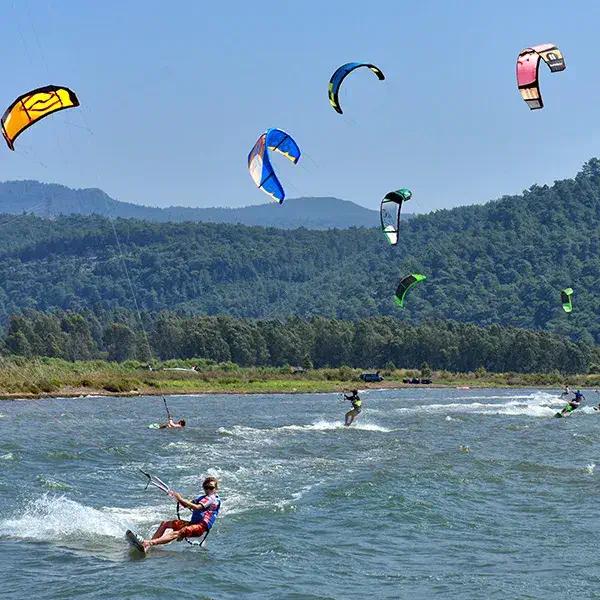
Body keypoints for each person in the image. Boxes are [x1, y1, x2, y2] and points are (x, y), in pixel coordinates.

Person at [138, 476, 220, 552]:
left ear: (216, 489)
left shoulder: (212, 498)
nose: (209, 490)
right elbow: (187, 505)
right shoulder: (202, 498)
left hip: (201, 527)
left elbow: (197, 507)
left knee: (179, 532)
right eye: (206, 487)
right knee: (165, 524)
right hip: (192, 524)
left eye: (211, 487)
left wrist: (180, 499)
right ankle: (148, 546)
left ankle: (149, 543)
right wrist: (177, 498)